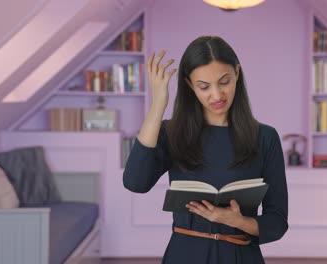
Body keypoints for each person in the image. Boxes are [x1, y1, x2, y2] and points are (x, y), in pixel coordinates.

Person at [123, 35, 288, 264]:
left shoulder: (266, 138)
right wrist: (158, 104)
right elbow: (135, 182)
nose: (217, 95)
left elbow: (277, 222)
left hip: (241, 256)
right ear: (190, 85)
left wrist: (236, 221)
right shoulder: (171, 133)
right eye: (204, 87)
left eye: (224, 82)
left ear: (237, 74)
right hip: (184, 255)